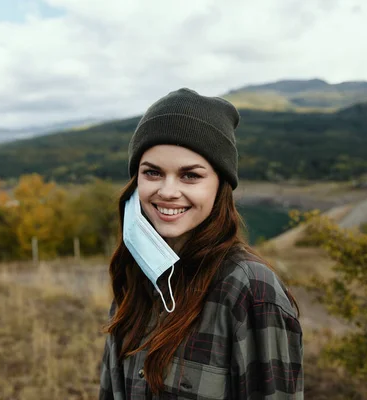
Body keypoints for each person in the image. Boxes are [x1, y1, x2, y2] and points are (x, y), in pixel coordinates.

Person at [98, 88, 303, 399]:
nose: (167, 191)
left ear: (220, 186)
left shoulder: (250, 290)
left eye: (190, 176)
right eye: (152, 173)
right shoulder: (137, 278)